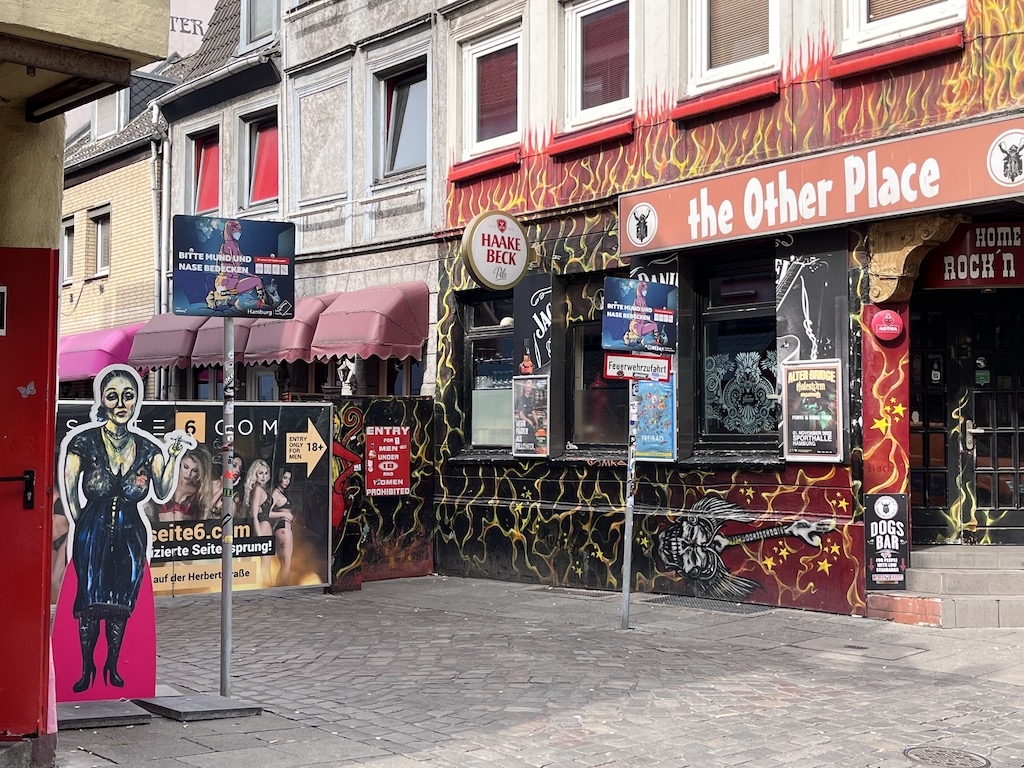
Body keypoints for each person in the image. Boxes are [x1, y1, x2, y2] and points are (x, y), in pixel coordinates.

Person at [59, 366, 193, 692]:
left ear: (136, 400)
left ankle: (113, 666)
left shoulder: (147, 448)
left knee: (121, 603)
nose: (121, 403)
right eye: (113, 396)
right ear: (102, 400)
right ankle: (87, 668)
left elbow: (162, 491)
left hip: (131, 534)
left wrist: (173, 456)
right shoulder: (83, 442)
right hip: (92, 532)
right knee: (89, 602)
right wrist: (83, 526)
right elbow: (70, 491)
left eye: (128, 395)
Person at [149, 444, 218, 522]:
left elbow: (201, 520)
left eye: (194, 470)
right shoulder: (163, 483)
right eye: (186, 467)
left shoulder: (200, 491)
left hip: (186, 529)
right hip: (162, 529)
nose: (188, 474)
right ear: (180, 462)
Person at [244, 458, 274, 580]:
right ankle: (267, 586)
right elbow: (254, 515)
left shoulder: (257, 489)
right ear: (254, 473)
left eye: (266, 473)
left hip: (261, 526)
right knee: (265, 565)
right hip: (262, 527)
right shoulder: (257, 489)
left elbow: (265, 512)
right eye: (260, 473)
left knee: (263, 564)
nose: (263, 476)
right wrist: (260, 537)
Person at [269, 468, 296, 586]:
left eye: (289, 479)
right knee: (287, 563)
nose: (287, 481)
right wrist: (285, 514)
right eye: (285, 478)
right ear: (279, 477)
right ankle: (285, 588)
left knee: (284, 563)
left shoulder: (281, 492)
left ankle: (279, 586)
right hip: (283, 527)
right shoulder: (276, 493)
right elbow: (267, 513)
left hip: (283, 527)